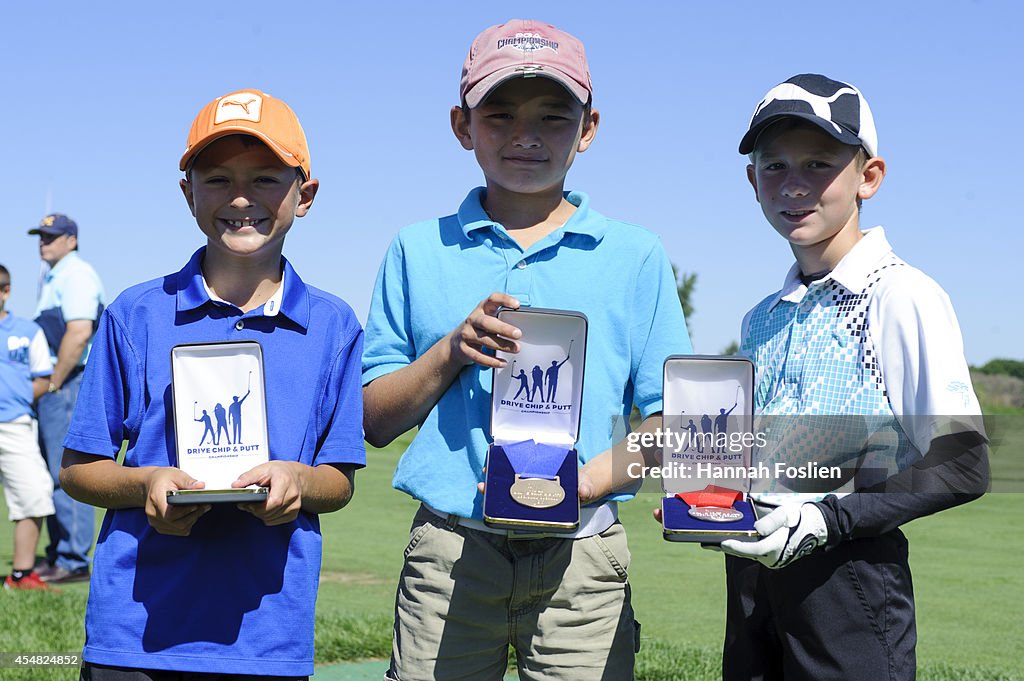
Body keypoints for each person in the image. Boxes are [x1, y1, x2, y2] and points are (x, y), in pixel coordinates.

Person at [362, 19, 691, 681]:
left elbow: (672, 420)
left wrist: (587, 481)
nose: (525, 135)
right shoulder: (417, 249)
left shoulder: (636, 255)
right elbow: (374, 418)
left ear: (588, 129)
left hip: (585, 557)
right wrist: (451, 349)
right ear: (463, 126)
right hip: (451, 552)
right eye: (500, 113)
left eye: (553, 115)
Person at [59, 88, 366, 679]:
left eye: (268, 178)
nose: (242, 198)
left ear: (306, 194)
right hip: (135, 632)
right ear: (187, 192)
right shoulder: (135, 312)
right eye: (218, 178)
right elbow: (78, 469)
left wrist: (299, 481)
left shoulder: (334, 325)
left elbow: (339, 479)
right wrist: (145, 482)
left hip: (268, 638)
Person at [714, 74, 988, 681]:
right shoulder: (760, 318)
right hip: (754, 580)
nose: (792, 185)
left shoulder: (901, 295)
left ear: (869, 177)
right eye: (774, 165)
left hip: (850, 582)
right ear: (751, 180)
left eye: (818, 164)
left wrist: (826, 519)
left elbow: (964, 462)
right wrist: (708, 501)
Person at [27, 212, 105, 584]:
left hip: (68, 381)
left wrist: (54, 382)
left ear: (71, 240)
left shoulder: (76, 274)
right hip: (59, 383)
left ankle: (73, 561)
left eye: (51, 236)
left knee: (66, 470)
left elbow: (79, 332)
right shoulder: (55, 276)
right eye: (41, 236)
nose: (44, 241)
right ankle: (59, 553)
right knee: (50, 470)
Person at [0, 264, 56, 591]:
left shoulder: (28, 331)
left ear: (6, 292)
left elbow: (42, 378)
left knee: (34, 492)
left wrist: (16, 397)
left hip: (15, 424)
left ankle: (21, 576)